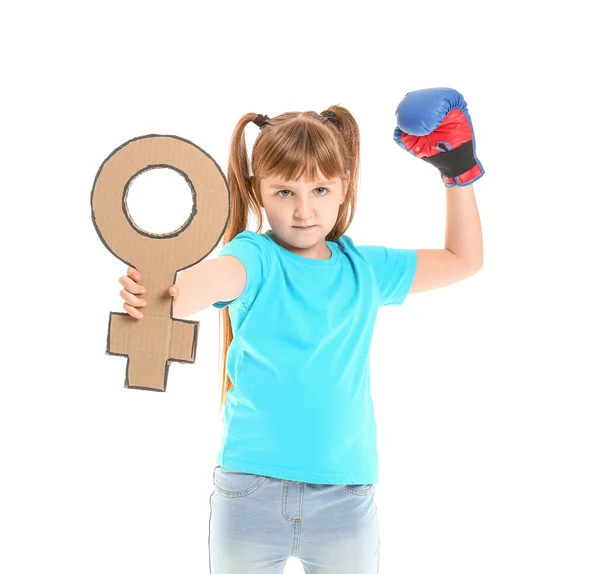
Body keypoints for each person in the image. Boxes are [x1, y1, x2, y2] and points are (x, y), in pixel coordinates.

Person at [117, 88, 484, 573]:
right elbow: (210, 282)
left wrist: (458, 173)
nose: (304, 210)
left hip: (345, 497)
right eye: (284, 192)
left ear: (344, 184)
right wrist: (166, 289)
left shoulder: (365, 269)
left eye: (320, 190)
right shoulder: (256, 256)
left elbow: (464, 260)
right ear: (257, 190)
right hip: (250, 491)